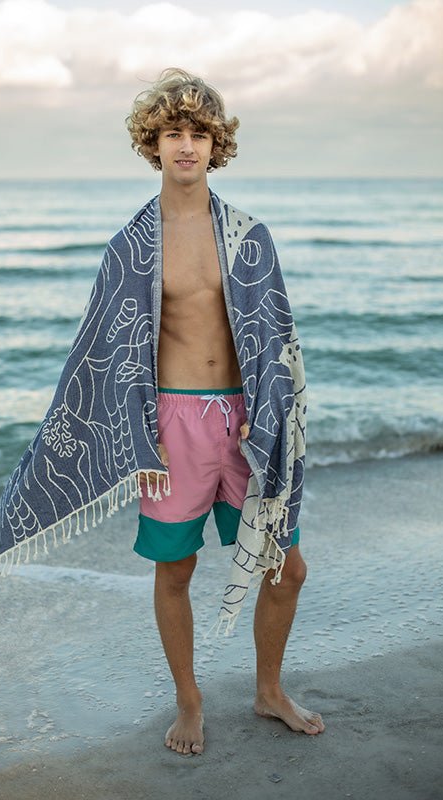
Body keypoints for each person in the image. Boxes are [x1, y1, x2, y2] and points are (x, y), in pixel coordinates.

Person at [125, 68, 324, 756]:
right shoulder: (132, 246)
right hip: (172, 426)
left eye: (199, 133)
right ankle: (190, 701)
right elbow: (113, 354)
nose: (186, 145)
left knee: (285, 567)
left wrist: (267, 411)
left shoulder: (248, 237)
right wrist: (138, 437)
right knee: (175, 570)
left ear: (216, 145)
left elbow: (277, 337)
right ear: (152, 144)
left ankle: (268, 690)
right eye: (172, 133)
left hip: (246, 423)